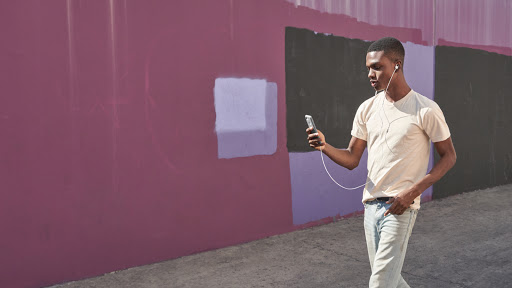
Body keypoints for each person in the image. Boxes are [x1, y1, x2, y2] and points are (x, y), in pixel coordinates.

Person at [306, 37, 456, 287]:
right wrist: (324, 146)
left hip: (401, 208)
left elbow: (449, 156)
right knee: (391, 281)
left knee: (380, 284)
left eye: (377, 67)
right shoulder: (367, 108)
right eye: (368, 68)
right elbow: (352, 158)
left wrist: (413, 192)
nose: (370, 74)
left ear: (397, 65)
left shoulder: (425, 109)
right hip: (371, 207)